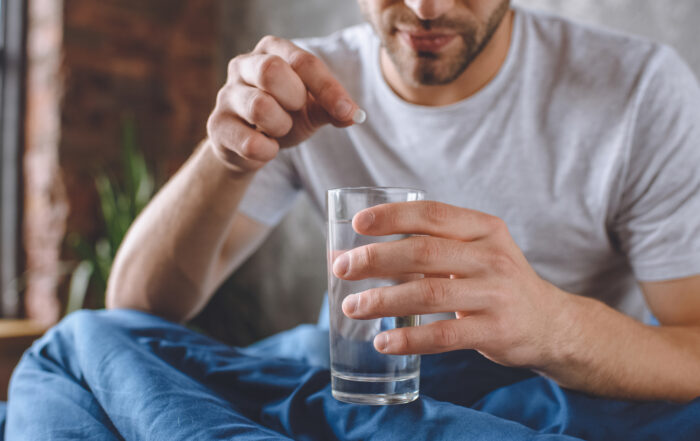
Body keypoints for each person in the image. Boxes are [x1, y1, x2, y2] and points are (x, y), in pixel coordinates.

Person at [5, 1, 700, 439]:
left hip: (537, 393)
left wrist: (551, 323)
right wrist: (227, 161)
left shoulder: (636, 88)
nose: (425, 9)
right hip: (346, 384)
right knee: (81, 342)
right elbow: (140, 304)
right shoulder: (307, 81)